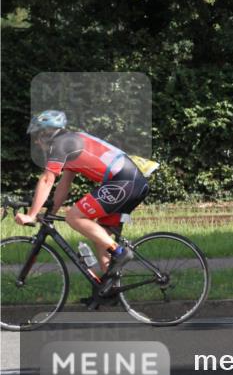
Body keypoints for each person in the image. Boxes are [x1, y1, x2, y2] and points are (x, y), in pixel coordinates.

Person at [15, 110, 149, 295]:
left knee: (74, 217)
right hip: (132, 183)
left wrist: (30, 215)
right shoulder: (71, 142)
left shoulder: (61, 144)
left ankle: (120, 252)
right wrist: (51, 213)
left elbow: (47, 180)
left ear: (47, 133)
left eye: (37, 136)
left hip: (124, 182)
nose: (36, 142)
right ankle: (110, 293)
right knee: (101, 239)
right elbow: (64, 184)